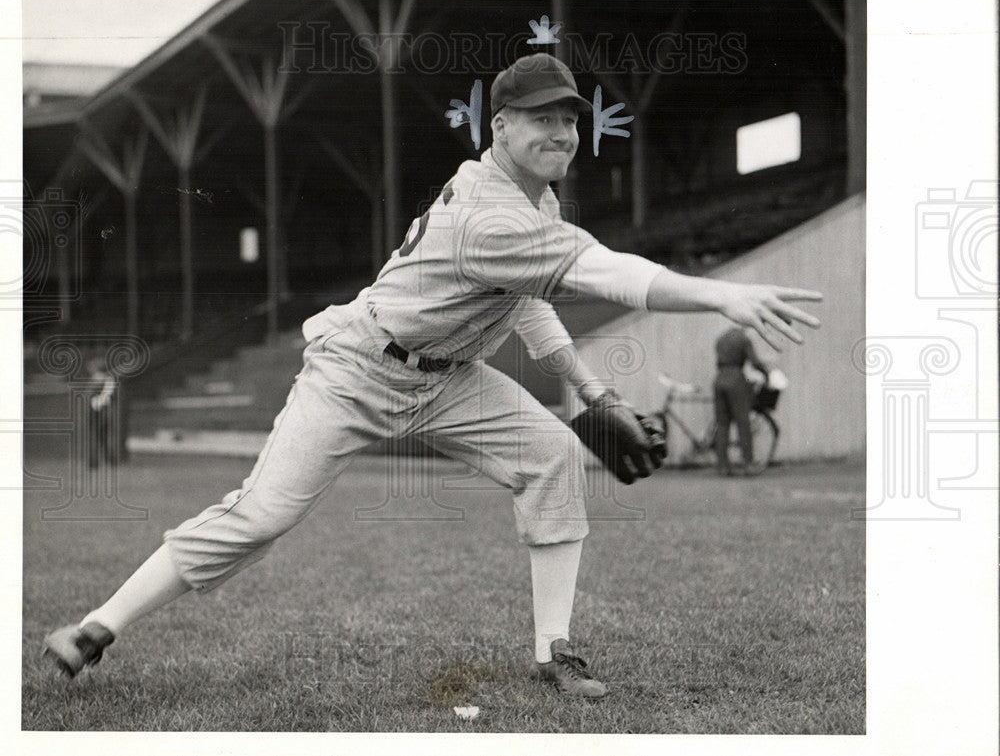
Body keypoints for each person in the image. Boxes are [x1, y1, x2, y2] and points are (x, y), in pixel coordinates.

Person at [43, 53, 821, 699]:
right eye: (540, 117)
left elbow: (525, 302)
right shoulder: (491, 214)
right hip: (356, 369)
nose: (558, 130)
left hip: (447, 377)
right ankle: (98, 624)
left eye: (569, 118)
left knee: (552, 457)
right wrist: (721, 291)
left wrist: (589, 390)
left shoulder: (535, 199)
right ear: (500, 127)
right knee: (262, 515)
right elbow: (606, 273)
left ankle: (555, 650)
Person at [712, 326, 772, 476]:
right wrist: (767, 374)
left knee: (722, 424)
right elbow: (755, 362)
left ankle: (722, 467)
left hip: (719, 379)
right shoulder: (744, 339)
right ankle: (748, 464)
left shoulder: (721, 338)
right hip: (735, 380)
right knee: (743, 423)